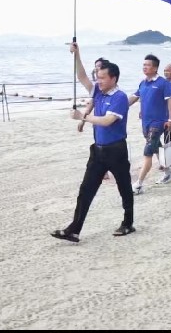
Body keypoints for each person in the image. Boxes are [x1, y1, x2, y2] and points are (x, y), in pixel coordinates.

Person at [52, 57, 135, 242]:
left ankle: (128, 223)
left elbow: (107, 121)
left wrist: (83, 117)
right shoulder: (98, 90)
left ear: (113, 78)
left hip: (116, 150)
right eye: (98, 78)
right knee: (86, 190)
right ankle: (74, 230)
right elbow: (81, 76)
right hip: (97, 151)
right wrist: (76, 52)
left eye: (103, 78)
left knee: (124, 188)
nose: (99, 81)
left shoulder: (119, 97)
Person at [127, 54, 171, 195]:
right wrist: (119, 107)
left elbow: (170, 100)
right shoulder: (143, 83)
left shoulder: (163, 83)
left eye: (147, 65)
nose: (144, 67)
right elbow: (134, 98)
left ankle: (138, 184)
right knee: (156, 148)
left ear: (155, 68)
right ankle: (168, 173)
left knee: (148, 151)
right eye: (143, 65)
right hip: (146, 123)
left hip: (158, 122)